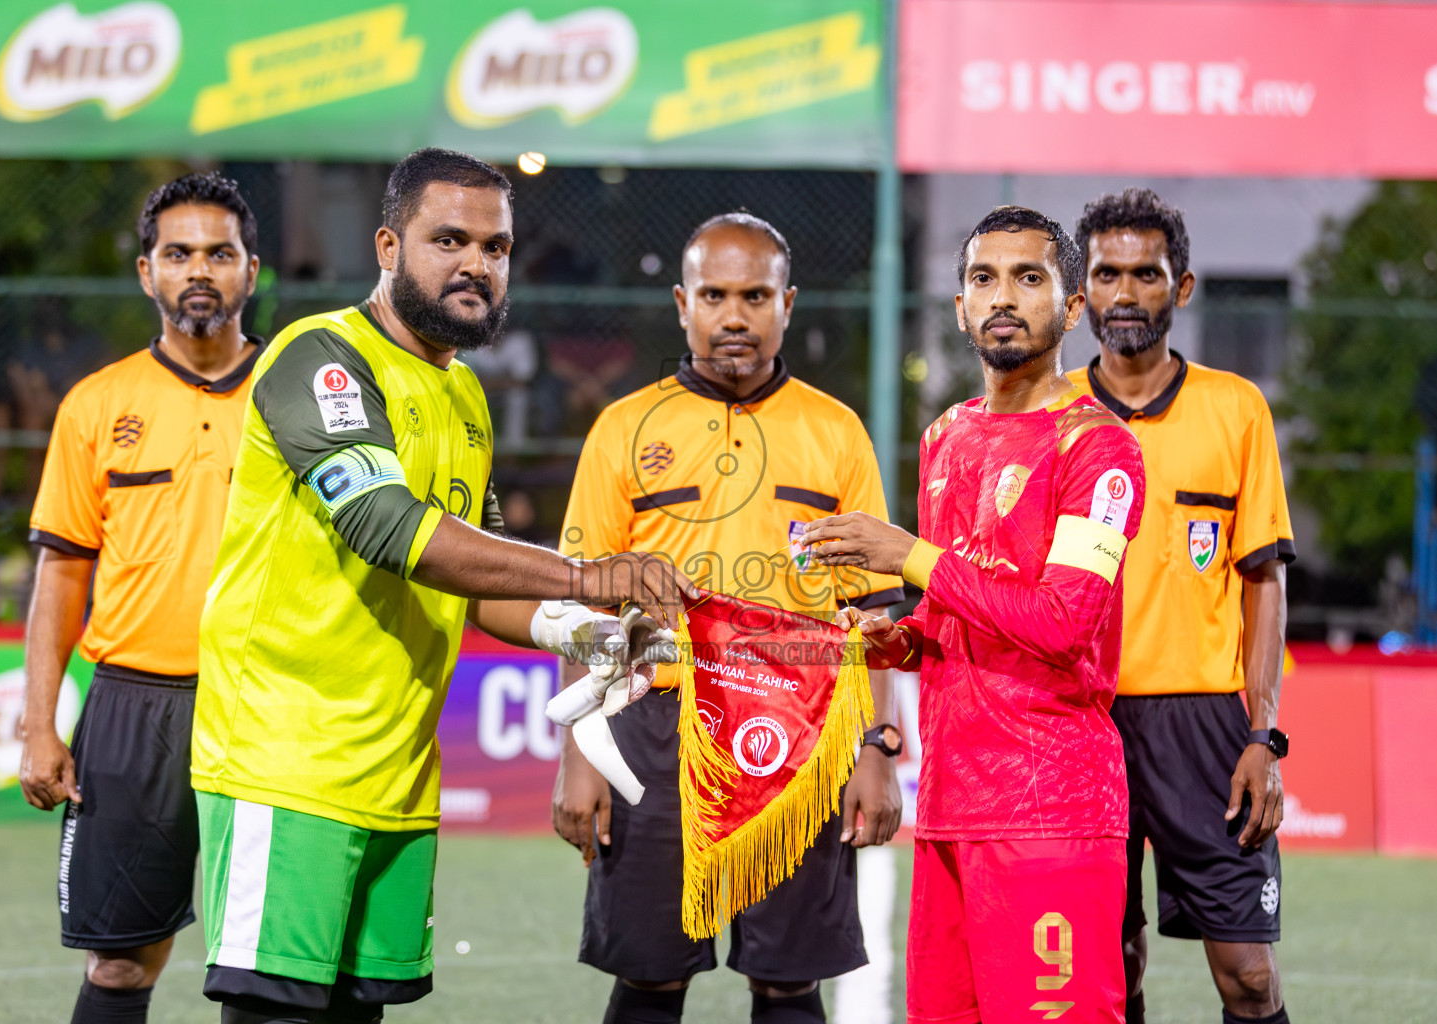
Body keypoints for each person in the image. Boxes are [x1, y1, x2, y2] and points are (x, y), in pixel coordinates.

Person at [190, 148, 688, 1024]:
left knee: (358, 1013)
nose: (476, 265)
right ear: (388, 244)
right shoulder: (322, 359)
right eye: (448, 239)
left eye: (495, 248)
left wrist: (586, 632)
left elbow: (477, 577)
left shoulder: (464, 398)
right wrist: (589, 575)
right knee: (275, 1014)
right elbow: (389, 527)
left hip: (399, 774)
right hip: (284, 762)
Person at [553, 211, 905, 1024]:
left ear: (789, 302)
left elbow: (872, 610)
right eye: (715, 294)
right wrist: (576, 758)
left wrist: (876, 749)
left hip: (801, 730)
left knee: (788, 981)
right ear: (683, 303)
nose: (735, 314)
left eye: (755, 294)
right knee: (649, 975)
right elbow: (579, 605)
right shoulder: (623, 428)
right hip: (652, 727)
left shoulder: (836, 432)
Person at [798, 206, 1146, 1024]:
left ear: (1069, 309)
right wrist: (887, 640)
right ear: (959, 306)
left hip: (1051, 811)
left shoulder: (1101, 450)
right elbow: (961, 614)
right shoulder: (947, 436)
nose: (1002, 297)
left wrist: (905, 556)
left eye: (1029, 278)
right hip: (950, 810)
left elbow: (1064, 621)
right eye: (982, 278)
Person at [18, 171, 266, 1024]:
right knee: (121, 966)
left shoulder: (297, 400)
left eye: (219, 253)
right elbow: (61, 574)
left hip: (267, 702)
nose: (200, 269)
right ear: (146, 272)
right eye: (179, 253)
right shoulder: (96, 404)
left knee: (270, 964)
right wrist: (40, 723)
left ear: (251, 270)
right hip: (134, 705)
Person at [1068, 188, 1294, 1024]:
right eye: (1107, 274)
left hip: (1204, 726)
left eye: (1147, 274)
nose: (1126, 292)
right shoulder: (1050, 415)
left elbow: (1263, 577)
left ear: (1183, 287)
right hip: (1082, 720)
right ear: (1080, 291)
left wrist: (1261, 733)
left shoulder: (1235, 409)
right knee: (1108, 966)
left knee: (1248, 976)